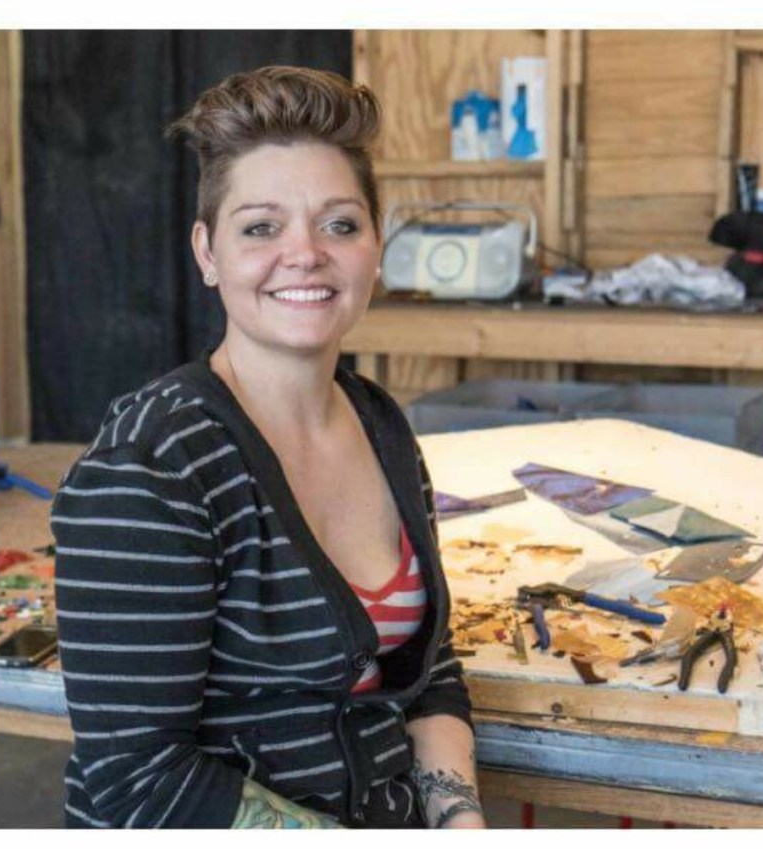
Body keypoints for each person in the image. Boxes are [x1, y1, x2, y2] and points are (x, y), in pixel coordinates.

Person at [51, 65, 485, 829]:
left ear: (376, 247)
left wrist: (459, 820)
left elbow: (429, 670)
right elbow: (135, 779)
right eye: (260, 227)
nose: (306, 253)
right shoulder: (153, 463)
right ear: (207, 252)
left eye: (340, 224)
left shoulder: (379, 422)